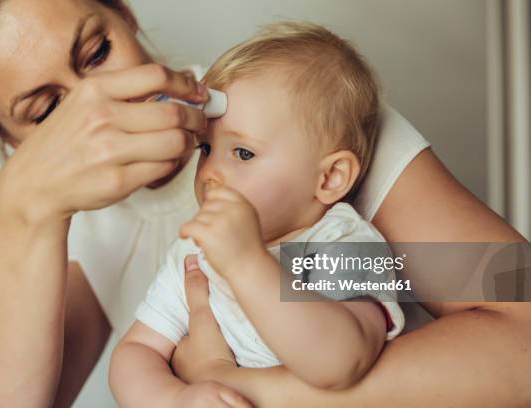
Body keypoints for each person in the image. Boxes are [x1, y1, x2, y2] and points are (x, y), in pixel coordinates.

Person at [0, 0, 527, 407]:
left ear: (124, 14)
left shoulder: (296, 120)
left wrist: (236, 385)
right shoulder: (80, 235)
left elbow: (520, 327)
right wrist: (19, 209)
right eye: (47, 112)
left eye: (98, 53)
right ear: (9, 142)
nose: (97, 113)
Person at [110, 22, 408, 407]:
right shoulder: (193, 251)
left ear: (330, 177)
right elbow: (136, 351)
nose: (211, 172)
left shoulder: (343, 242)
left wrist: (246, 262)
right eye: (206, 148)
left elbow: (341, 361)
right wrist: (174, 399)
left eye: (244, 153)